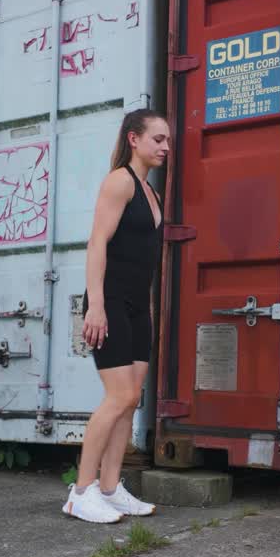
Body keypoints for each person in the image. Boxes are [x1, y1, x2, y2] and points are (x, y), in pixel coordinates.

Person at [62, 108, 168, 523]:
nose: (165, 147)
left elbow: (144, 261)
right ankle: (81, 491)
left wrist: (150, 311)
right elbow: (97, 244)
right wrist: (97, 304)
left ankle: (110, 488)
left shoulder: (151, 193)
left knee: (131, 401)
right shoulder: (119, 182)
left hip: (138, 307)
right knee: (119, 396)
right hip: (108, 303)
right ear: (134, 139)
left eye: (168, 141)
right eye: (158, 139)